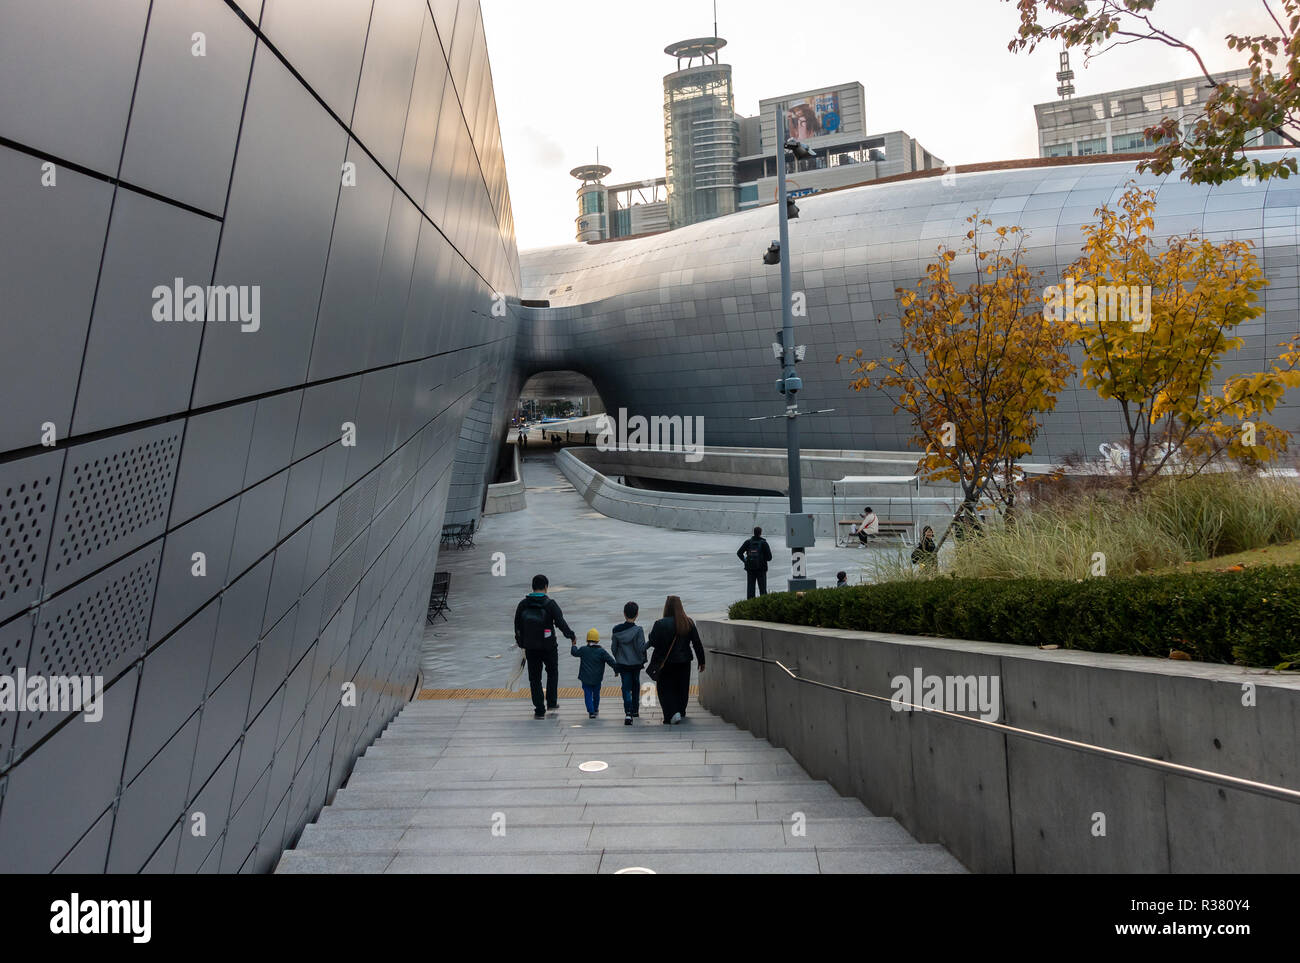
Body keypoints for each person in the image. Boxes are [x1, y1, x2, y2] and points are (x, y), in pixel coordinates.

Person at [513, 574, 577, 718]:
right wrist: (571, 636)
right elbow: (561, 623)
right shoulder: (550, 604)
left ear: (532, 587)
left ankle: (539, 708)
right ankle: (552, 702)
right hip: (548, 646)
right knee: (552, 672)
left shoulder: (523, 604)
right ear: (546, 587)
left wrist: (521, 643)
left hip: (530, 647)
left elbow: (517, 626)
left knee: (534, 678)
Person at [646, 596, 706, 725]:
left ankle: (671, 714)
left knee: (665, 688)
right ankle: (680, 711)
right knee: (682, 687)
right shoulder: (688, 622)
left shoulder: (660, 623)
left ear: (667, 607)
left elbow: (654, 642)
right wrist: (702, 661)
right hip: (684, 661)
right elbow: (697, 643)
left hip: (666, 662)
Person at [610, 601, 648, 725]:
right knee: (636, 685)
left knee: (626, 687)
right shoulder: (638, 630)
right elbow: (641, 648)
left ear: (624, 614)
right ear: (637, 614)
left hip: (623, 664)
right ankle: (636, 710)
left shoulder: (616, 630)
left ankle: (628, 713)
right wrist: (650, 643)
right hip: (636, 664)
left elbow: (614, 648)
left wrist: (619, 657)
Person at [571, 628, 618, 719]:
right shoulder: (601, 652)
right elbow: (612, 662)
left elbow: (574, 652)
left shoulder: (583, 649)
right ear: (597, 640)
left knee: (588, 694)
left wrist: (574, 645)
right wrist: (616, 671)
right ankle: (595, 708)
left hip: (585, 678)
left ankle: (591, 712)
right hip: (597, 679)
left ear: (587, 640)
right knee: (596, 694)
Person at [736, 526, 773, 599]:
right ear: (760, 533)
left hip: (750, 569)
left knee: (750, 589)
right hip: (761, 569)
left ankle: (750, 605)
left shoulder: (748, 542)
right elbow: (769, 558)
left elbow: (739, 553)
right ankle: (763, 605)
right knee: (762, 589)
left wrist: (745, 560)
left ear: (754, 532)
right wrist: (762, 559)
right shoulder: (764, 543)